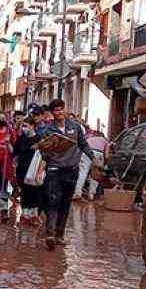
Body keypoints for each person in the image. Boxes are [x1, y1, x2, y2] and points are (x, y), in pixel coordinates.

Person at [38, 98, 91, 250]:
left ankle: (60, 235)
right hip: (54, 170)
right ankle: (50, 234)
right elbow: (43, 151)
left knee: (65, 203)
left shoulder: (75, 127)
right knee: (53, 201)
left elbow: (83, 144)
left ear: (64, 110)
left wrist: (93, 159)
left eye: (61, 109)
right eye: (56, 110)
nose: (59, 112)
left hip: (71, 170)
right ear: (52, 113)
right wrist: (50, 156)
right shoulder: (48, 130)